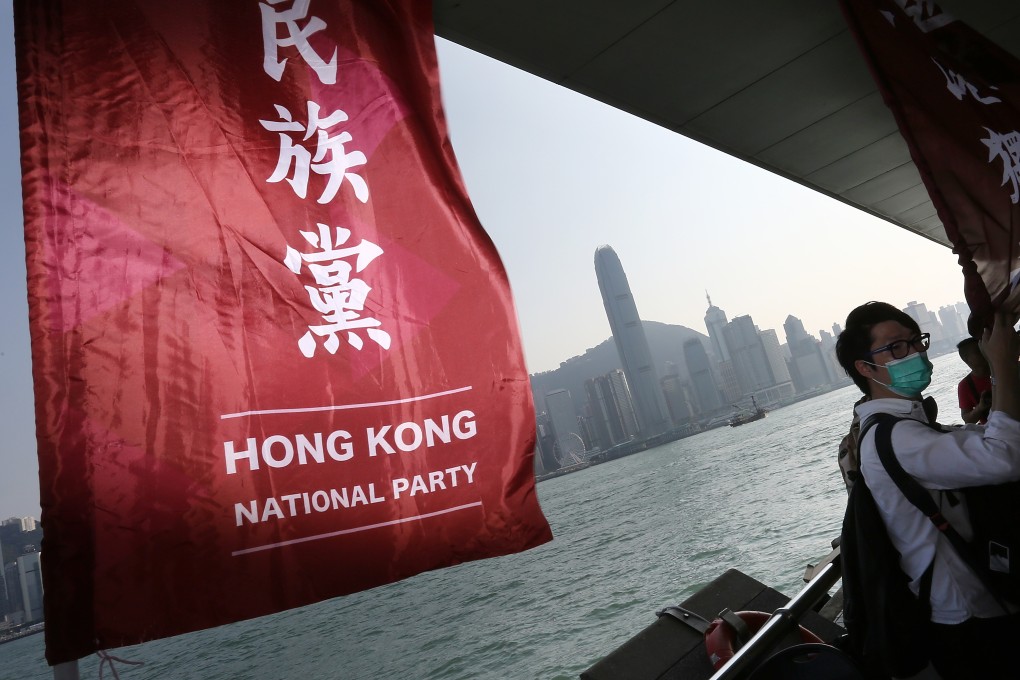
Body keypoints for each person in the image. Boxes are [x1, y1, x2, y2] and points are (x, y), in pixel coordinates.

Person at [835, 301, 1020, 678]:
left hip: (969, 598)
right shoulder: (898, 437)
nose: (916, 352)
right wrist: (1002, 365)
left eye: (915, 341)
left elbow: (984, 438)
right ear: (866, 368)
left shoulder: (905, 425)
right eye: (896, 347)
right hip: (965, 612)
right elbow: (1004, 457)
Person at [957, 337, 993, 424]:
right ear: (967, 359)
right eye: (978, 351)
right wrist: (980, 407)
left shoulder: (1005, 368)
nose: (983, 352)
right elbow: (967, 419)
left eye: (983, 348)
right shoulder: (965, 385)